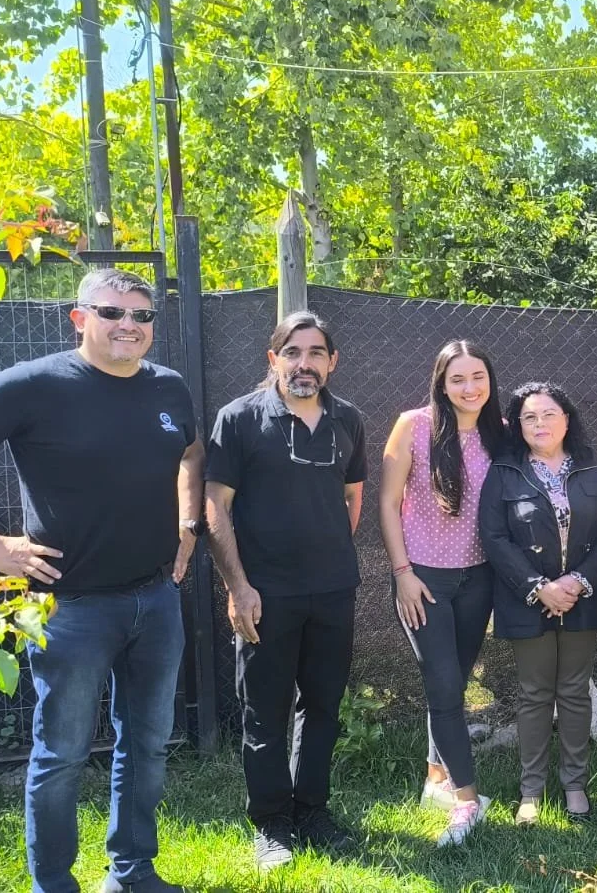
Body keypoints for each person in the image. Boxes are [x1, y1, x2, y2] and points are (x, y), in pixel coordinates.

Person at [0, 269, 201, 893]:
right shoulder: (34, 386)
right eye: (112, 313)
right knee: (60, 758)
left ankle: (133, 871)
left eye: (142, 316)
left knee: (147, 748)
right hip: (70, 609)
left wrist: (188, 521)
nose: (129, 326)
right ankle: (52, 882)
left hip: (155, 599)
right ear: (78, 317)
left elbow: (189, 453)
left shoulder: (168, 388)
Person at [204, 311, 367, 871]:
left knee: (323, 707)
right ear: (273, 359)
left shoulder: (349, 419)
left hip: (333, 591)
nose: (305, 363)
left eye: (316, 352)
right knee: (264, 713)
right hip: (264, 595)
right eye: (292, 352)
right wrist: (239, 586)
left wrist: (325, 551)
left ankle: (313, 812)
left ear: (332, 362)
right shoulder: (241, 419)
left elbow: (353, 495)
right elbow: (215, 506)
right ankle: (272, 823)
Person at [378, 341, 501, 845]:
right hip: (424, 578)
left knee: (457, 677)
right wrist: (402, 572)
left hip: (480, 577)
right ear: (441, 382)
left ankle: (435, 776)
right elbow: (387, 503)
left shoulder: (503, 434)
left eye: (478, 377)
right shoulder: (414, 425)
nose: (469, 388)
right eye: (458, 379)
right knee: (445, 686)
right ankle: (469, 802)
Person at [478, 382, 597, 826]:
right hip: (527, 600)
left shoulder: (596, 469)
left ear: (567, 419)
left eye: (549, 414)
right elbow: (494, 537)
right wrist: (539, 587)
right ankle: (531, 791)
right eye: (530, 417)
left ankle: (575, 785)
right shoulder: (504, 471)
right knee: (535, 695)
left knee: (574, 692)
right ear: (518, 426)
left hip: (582, 598)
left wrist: (576, 581)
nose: (540, 424)